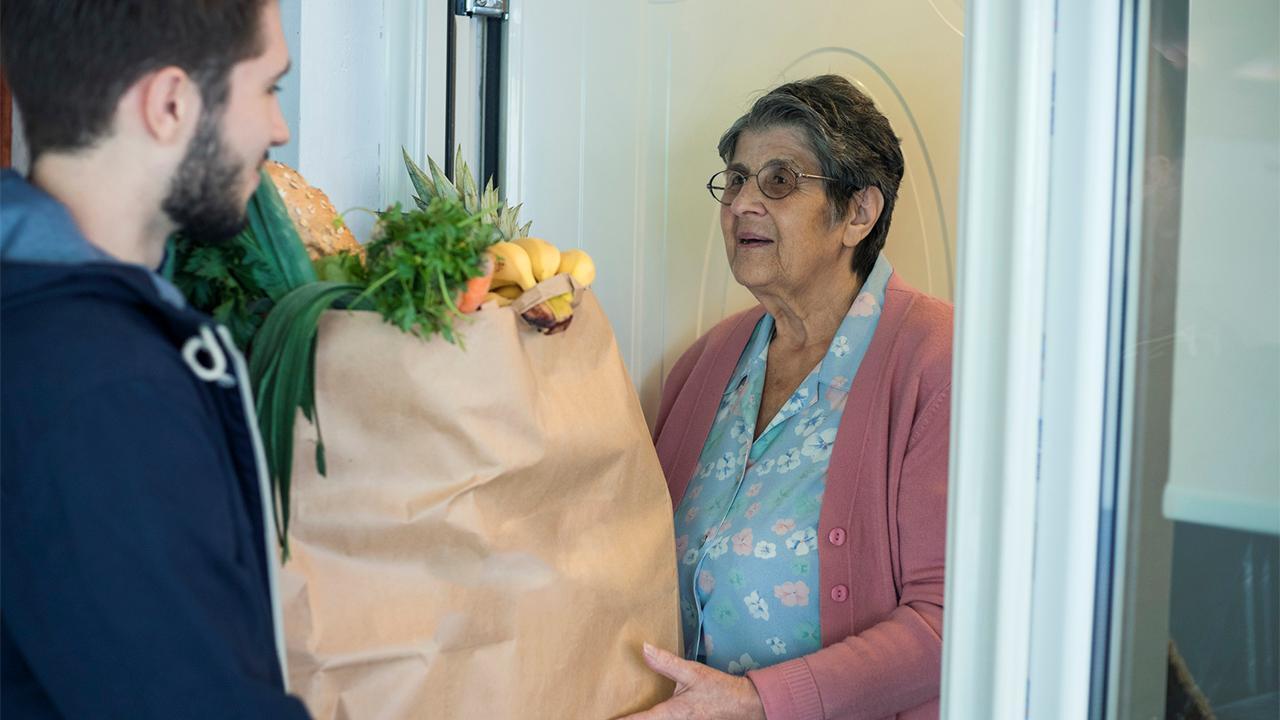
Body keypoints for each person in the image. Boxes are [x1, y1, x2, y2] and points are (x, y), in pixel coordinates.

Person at [0, 1, 310, 716]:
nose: (280, 129)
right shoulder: (100, 392)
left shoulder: (46, 321)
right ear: (170, 104)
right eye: (269, 89)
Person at [633, 75, 952, 719]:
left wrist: (757, 702)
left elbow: (948, 624)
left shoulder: (938, 361)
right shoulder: (704, 366)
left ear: (857, 213)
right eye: (736, 178)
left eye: (779, 181)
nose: (743, 202)